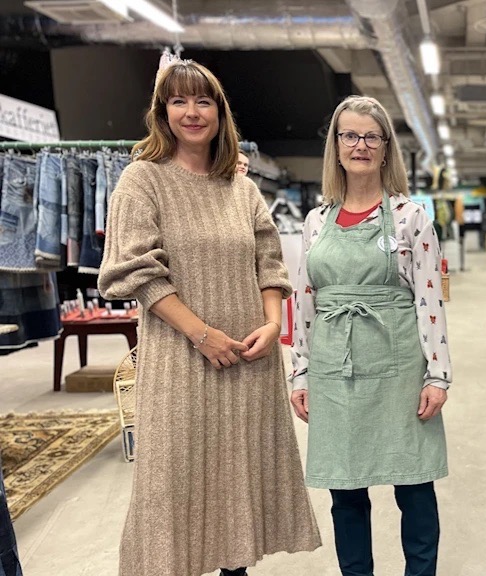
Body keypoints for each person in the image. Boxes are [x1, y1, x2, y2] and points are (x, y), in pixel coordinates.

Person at [98, 58, 320, 576]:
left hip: (248, 361)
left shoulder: (241, 188)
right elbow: (133, 270)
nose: (192, 112)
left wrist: (273, 324)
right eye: (179, 101)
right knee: (174, 488)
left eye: (203, 101)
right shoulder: (142, 180)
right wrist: (201, 335)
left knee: (239, 486)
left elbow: (270, 262)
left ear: (220, 113)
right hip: (180, 364)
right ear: (162, 112)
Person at [290, 95, 452, 576]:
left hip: (399, 366)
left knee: (414, 484)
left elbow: (430, 301)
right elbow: (305, 301)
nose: (359, 145)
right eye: (349, 135)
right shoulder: (316, 221)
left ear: (385, 148)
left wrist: (438, 375)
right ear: (336, 146)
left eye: (370, 136)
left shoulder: (411, 217)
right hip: (334, 369)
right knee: (345, 492)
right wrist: (300, 373)